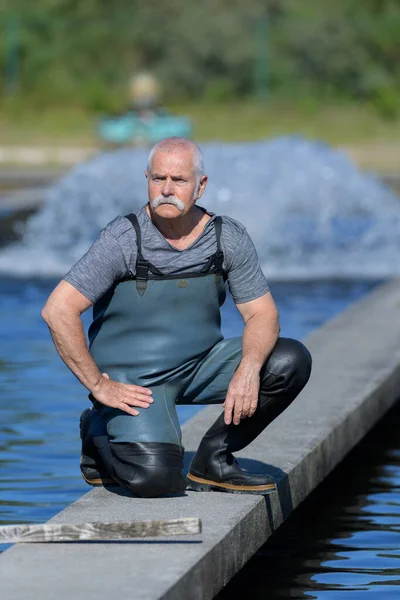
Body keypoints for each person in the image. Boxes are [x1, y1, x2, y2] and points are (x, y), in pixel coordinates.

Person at [41, 137, 312, 498]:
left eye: (179, 180)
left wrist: (248, 370)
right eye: (158, 179)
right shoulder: (123, 239)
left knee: (288, 361)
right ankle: (97, 429)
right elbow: (58, 309)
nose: (166, 190)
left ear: (200, 186)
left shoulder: (226, 237)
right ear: (147, 180)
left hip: (201, 365)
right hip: (135, 383)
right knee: (156, 480)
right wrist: (98, 385)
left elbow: (262, 313)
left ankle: (214, 458)